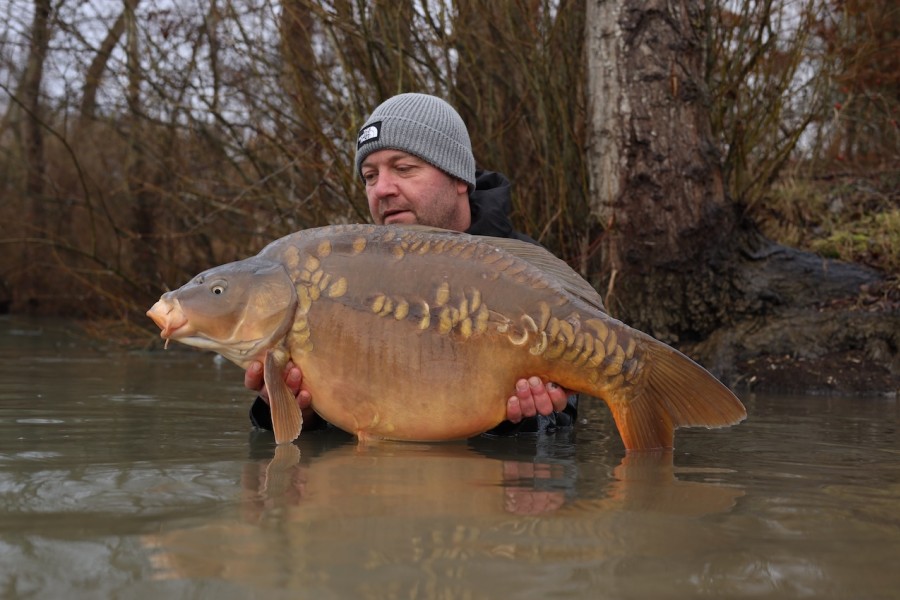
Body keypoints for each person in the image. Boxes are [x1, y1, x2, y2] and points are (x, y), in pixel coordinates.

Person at [245, 92, 577, 436]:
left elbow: (564, 425)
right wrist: (296, 409)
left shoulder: (528, 273)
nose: (381, 189)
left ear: (459, 177)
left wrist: (526, 423)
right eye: (370, 176)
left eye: (403, 168)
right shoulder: (346, 276)